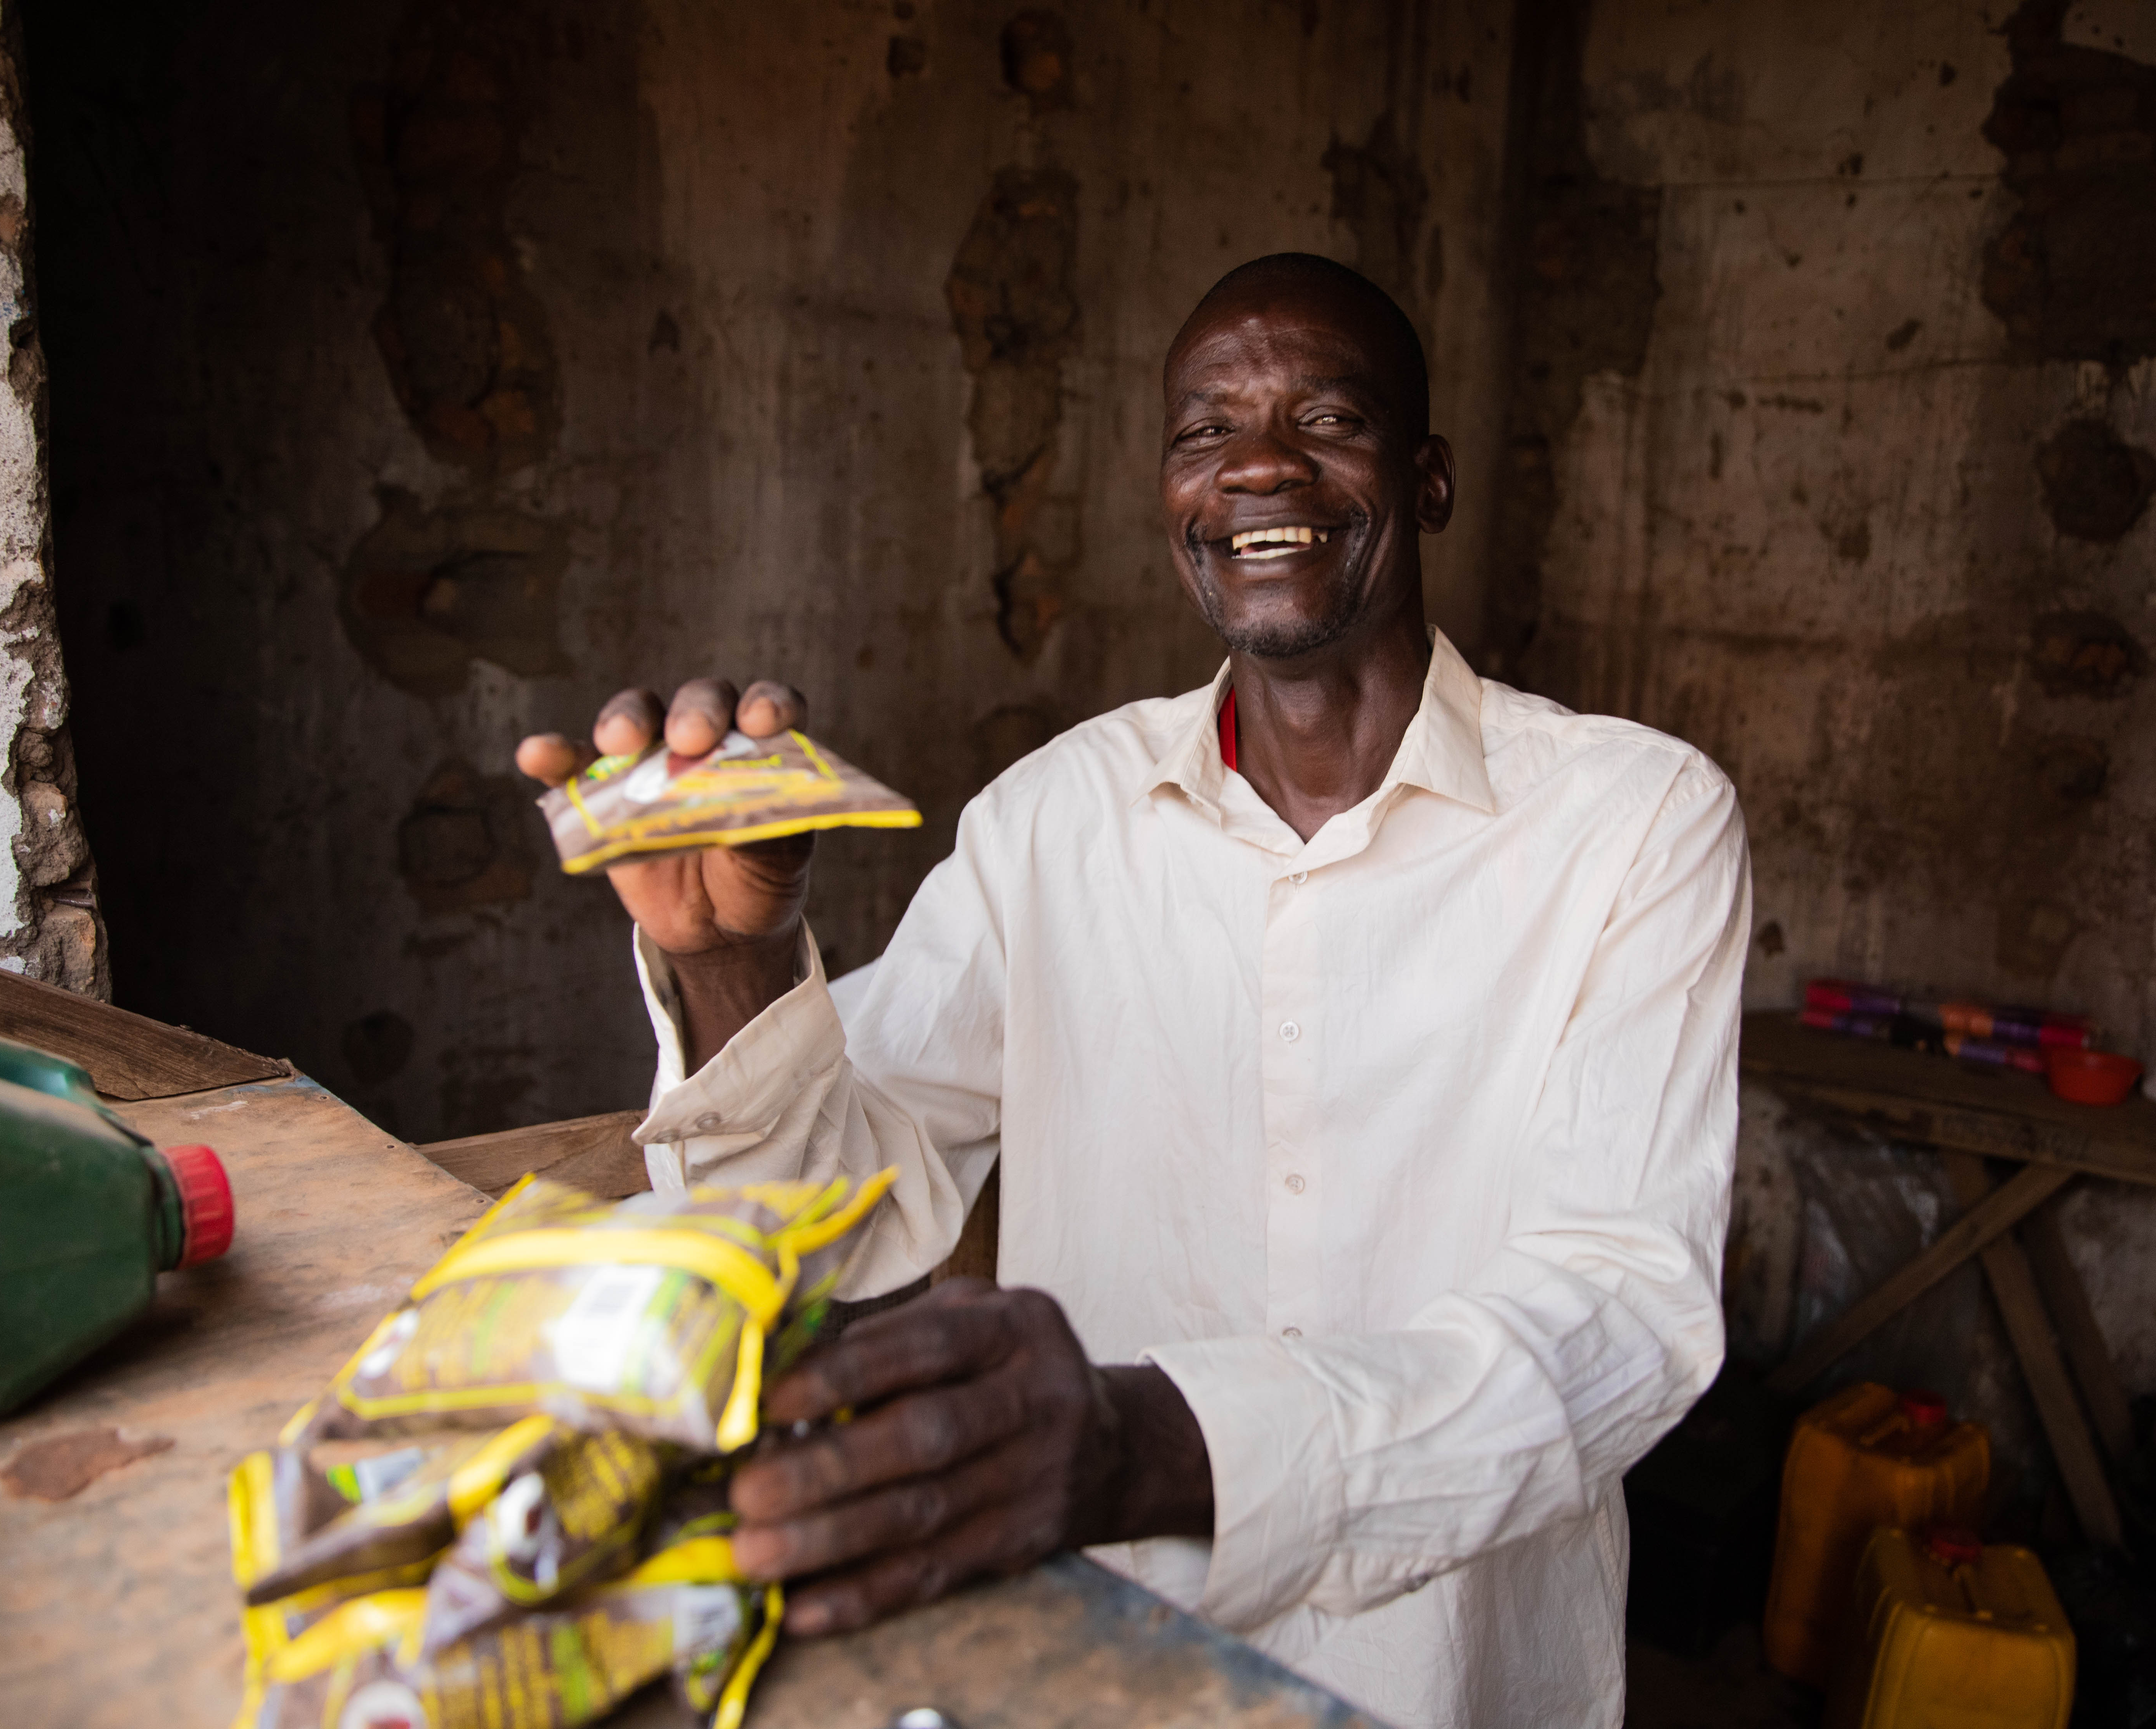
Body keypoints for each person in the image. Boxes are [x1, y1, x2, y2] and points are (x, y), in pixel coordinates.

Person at [515, 253, 1750, 1729]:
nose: (1257, 469)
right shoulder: (1055, 817)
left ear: (1425, 483)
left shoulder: (1637, 820)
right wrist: (732, 963)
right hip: (1105, 1665)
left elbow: (1619, 1313)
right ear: (1170, 501)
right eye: (1203, 432)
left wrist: (1149, 1446)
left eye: (1327, 420)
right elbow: (836, 1210)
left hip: (1455, 1674)